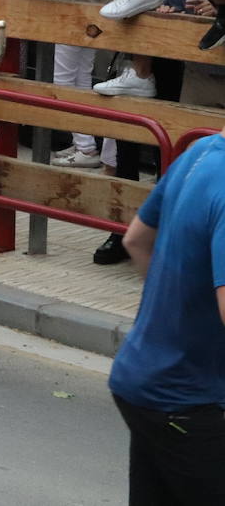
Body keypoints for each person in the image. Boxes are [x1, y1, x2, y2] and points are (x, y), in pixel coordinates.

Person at [108, 126, 225, 504]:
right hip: (192, 402)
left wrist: (173, 309)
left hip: (140, 381)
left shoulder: (201, 152)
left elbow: (135, 240)